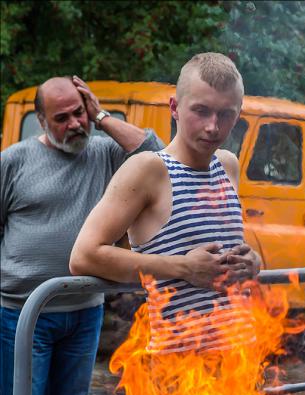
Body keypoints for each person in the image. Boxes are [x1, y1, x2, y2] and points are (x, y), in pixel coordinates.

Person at [0, 75, 164, 395]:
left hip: (84, 311)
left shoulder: (104, 151)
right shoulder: (14, 162)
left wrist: (104, 116)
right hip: (21, 314)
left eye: (80, 112)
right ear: (40, 120)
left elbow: (154, 151)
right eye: (63, 117)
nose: (75, 124)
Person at [70, 53, 260, 355]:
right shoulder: (148, 170)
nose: (213, 126)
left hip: (240, 359)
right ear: (175, 107)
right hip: (180, 370)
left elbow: (226, 246)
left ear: (239, 114)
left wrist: (253, 261)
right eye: (201, 110)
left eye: (225, 114)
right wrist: (183, 267)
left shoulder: (228, 165)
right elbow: (84, 256)